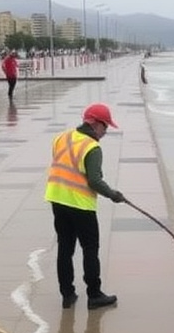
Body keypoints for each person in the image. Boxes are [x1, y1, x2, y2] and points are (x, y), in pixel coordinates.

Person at [44, 103, 124, 310]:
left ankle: (67, 295)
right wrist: (113, 195)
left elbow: (64, 164)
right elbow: (94, 181)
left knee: (65, 248)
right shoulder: (92, 147)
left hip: (57, 199)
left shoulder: (61, 137)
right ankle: (94, 295)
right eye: (105, 126)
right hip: (80, 205)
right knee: (90, 249)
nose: (105, 132)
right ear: (95, 124)